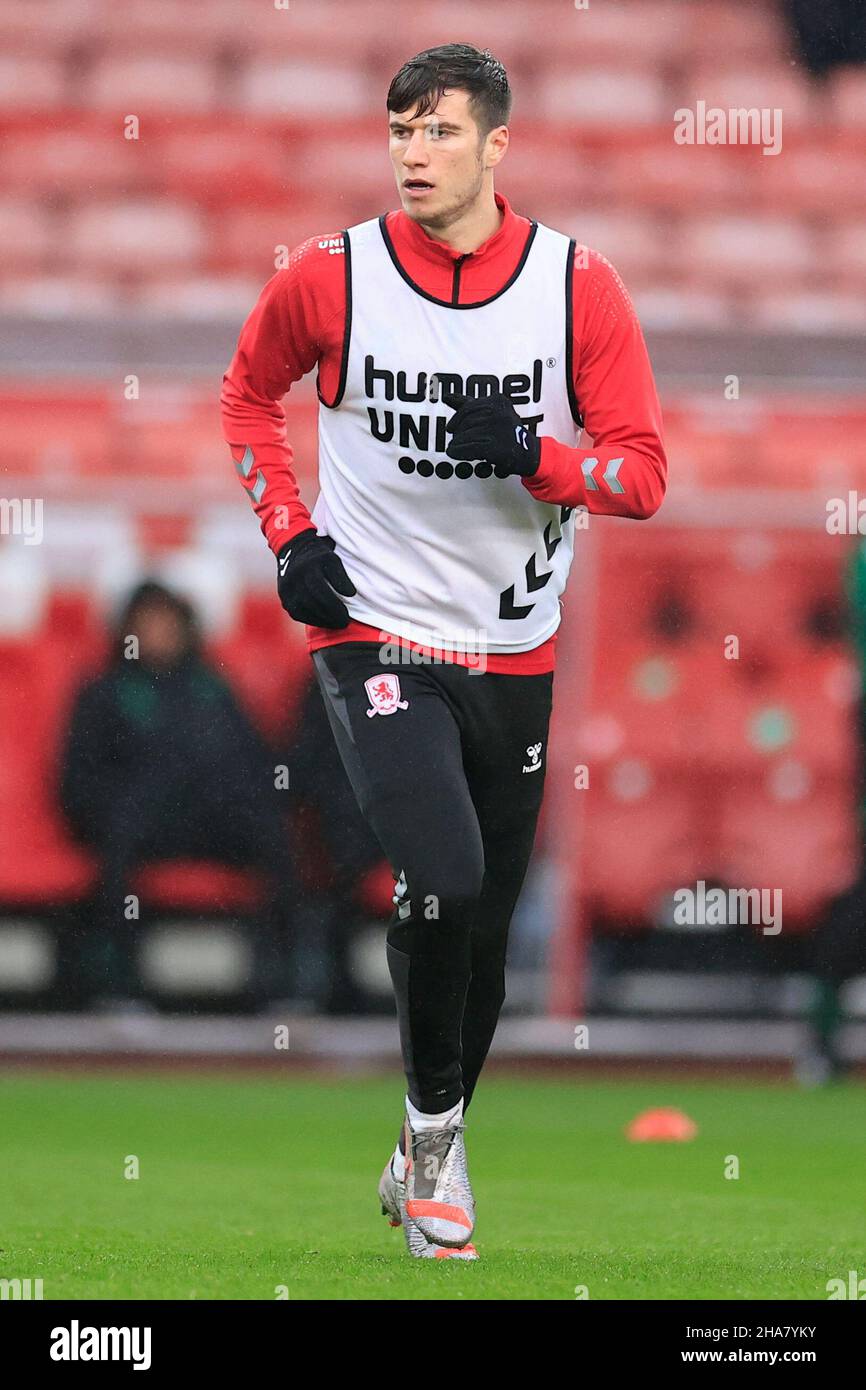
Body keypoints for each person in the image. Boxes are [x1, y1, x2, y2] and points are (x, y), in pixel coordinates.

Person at [221, 43, 667, 1260]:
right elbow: (245, 398)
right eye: (399, 130)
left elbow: (640, 473)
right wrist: (288, 534)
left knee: (482, 941)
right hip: (368, 626)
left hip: (510, 645)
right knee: (444, 872)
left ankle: (428, 1127)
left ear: (494, 147)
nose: (413, 152)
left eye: (438, 131)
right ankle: (433, 1157)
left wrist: (536, 456)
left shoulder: (579, 287)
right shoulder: (330, 276)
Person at [60, 580, 303, 1003]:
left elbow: (258, 762)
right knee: (118, 847)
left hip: (208, 821)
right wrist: (123, 809)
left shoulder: (211, 689)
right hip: (142, 827)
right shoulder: (103, 692)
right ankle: (118, 990)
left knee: (274, 838)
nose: (158, 633)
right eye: (147, 622)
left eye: (167, 622)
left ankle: (282, 987)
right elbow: (79, 781)